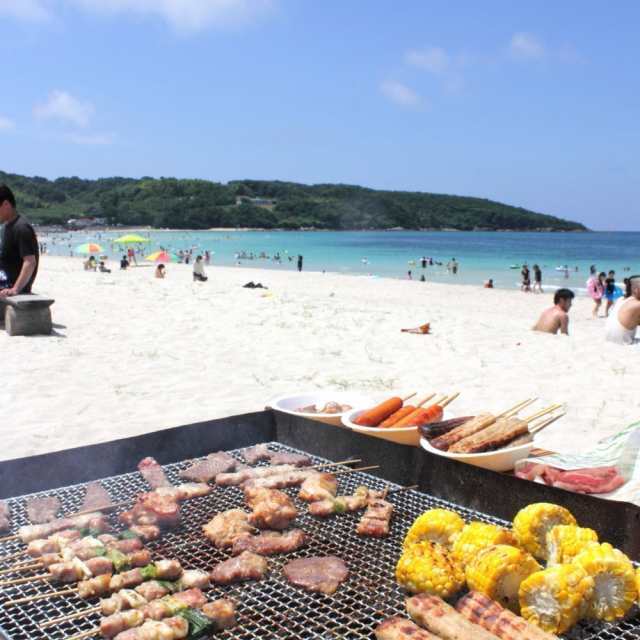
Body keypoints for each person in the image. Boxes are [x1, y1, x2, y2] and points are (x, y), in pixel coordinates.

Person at [0, 185, 39, 297]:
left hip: (10, 285)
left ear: (6, 204)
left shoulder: (21, 228)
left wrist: (15, 289)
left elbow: (30, 262)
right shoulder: (7, 226)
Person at [606, 276, 640, 345]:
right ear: (636, 289)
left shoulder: (621, 299)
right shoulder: (637, 304)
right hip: (623, 343)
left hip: (609, 339)